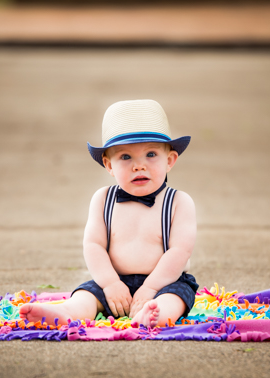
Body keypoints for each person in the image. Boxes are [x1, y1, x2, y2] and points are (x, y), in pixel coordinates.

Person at [20, 99, 198, 328]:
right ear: (109, 165)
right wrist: (110, 283)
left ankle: (154, 316)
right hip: (114, 281)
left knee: (175, 299)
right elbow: (93, 245)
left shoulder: (179, 202)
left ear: (170, 160)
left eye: (151, 154)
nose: (139, 166)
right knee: (86, 295)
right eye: (125, 157)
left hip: (165, 282)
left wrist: (151, 288)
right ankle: (67, 312)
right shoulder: (103, 199)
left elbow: (179, 251)